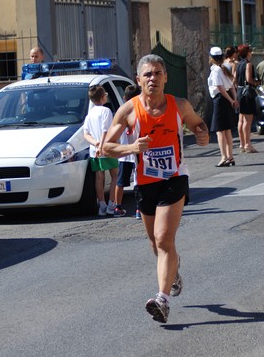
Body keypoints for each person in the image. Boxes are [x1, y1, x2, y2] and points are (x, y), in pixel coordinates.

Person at [103, 54, 209, 323]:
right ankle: (174, 270)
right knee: (156, 244)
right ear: (138, 80)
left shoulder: (180, 105)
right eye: (148, 74)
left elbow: (198, 123)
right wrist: (130, 147)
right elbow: (105, 147)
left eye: (158, 73)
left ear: (165, 77)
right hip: (145, 183)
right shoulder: (128, 111)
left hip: (174, 178)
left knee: (163, 239)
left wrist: (202, 133)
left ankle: (162, 299)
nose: (153, 78)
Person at [83, 85, 119, 217]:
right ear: (103, 97)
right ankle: (112, 203)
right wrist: (102, 146)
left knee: (99, 177)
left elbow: (86, 134)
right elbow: (105, 131)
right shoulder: (106, 111)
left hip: (94, 150)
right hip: (107, 148)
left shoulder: (90, 114)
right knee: (115, 175)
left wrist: (96, 144)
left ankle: (102, 205)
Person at [207, 46, 238, 166]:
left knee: (220, 131)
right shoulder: (224, 68)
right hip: (226, 100)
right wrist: (234, 99)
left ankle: (224, 157)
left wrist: (231, 100)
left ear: (211, 58)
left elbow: (219, 87)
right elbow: (231, 86)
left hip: (220, 100)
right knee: (227, 130)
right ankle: (230, 156)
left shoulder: (215, 70)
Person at [113, 84, 141, 217]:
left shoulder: (121, 112)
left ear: (124, 98)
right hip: (137, 153)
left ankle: (117, 207)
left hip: (124, 153)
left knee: (121, 182)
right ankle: (139, 209)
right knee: (138, 181)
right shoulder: (141, 111)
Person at [235, 44, 260, 153]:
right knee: (248, 120)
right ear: (247, 53)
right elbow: (249, 79)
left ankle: (241, 143)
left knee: (241, 119)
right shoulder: (248, 64)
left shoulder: (238, 64)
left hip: (240, 92)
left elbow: (234, 80)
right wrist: (256, 82)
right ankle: (247, 144)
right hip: (247, 93)